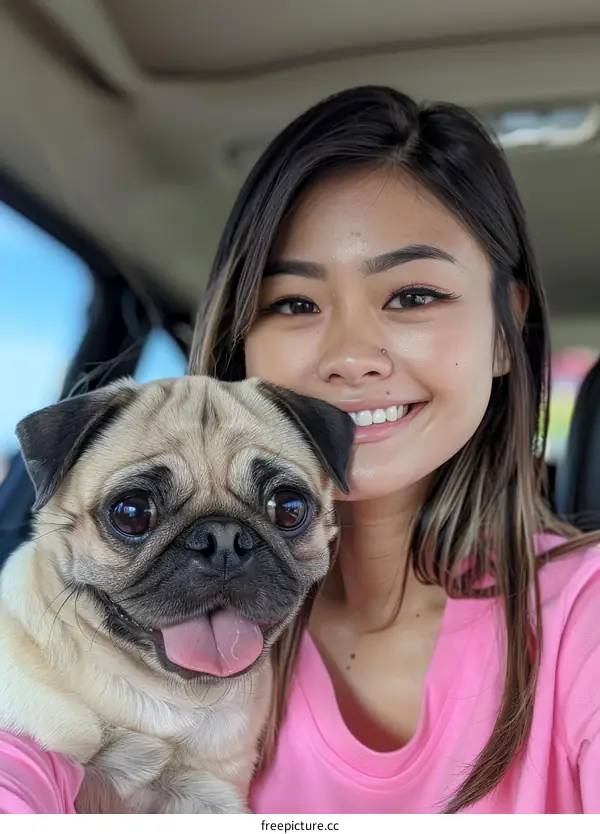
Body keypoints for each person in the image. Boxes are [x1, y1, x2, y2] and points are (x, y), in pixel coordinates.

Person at [1, 84, 600, 814]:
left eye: (412, 295)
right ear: (242, 337)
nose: (353, 355)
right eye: (295, 303)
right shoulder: (85, 620)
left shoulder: (580, 617)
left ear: (506, 328)